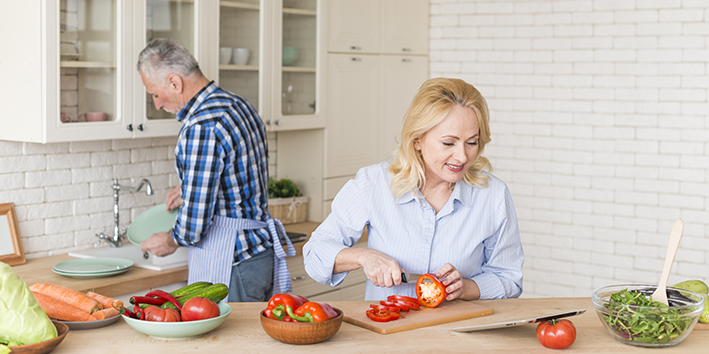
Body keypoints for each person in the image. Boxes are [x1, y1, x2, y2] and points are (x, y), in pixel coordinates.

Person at [303, 78, 524, 301]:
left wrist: (467, 288)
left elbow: (509, 278)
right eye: (449, 143)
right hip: (388, 329)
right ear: (417, 139)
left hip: (458, 331)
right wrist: (364, 256)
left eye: (472, 142)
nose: (462, 156)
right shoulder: (374, 183)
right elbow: (315, 254)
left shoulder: (493, 195)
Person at [137, 39, 294, 302]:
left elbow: (194, 225)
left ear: (175, 83)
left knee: (229, 343)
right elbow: (240, 177)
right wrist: (190, 188)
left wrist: (169, 240)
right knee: (252, 341)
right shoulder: (238, 105)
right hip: (258, 253)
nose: (156, 104)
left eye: (154, 94)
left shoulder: (202, 126)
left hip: (233, 262)